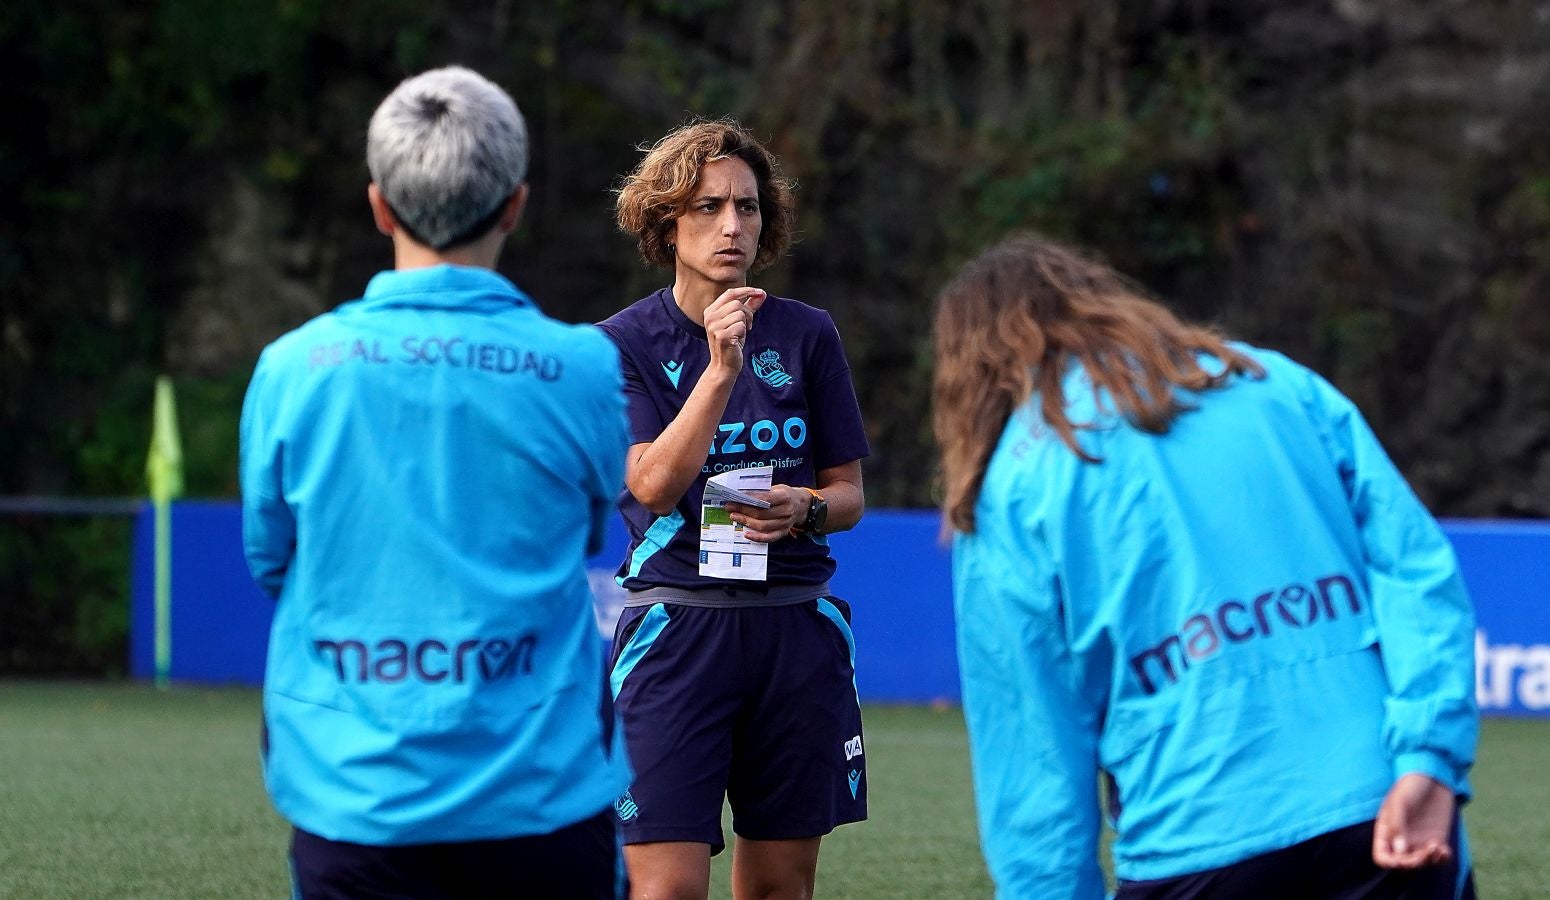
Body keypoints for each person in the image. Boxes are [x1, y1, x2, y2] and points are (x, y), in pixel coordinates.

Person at [931, 233, 1479, 900]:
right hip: (1386, 811)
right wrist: (1429, 757)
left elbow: (1033, 751)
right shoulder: (1271, 378)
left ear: (972, 364)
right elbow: (1417, 573)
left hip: (1195, 847)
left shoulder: (1009, 490)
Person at [239, 66, 631, 899]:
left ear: (379, 205)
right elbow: (592, 526)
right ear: (516, 204)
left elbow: (271, 559)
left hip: (356, 789)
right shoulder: (582, 367)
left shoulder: (293, 369)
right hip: (542, 791)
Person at [597, 120, 870, 900]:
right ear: (665, 221)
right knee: (667, 889)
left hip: (795, 630)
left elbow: (848, 493)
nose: (731, 226)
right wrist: (719, 372)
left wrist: (806, 508)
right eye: (710, 206)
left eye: (747, 208)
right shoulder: (622, 345)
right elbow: (648, 484)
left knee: (781, 886)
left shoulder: (808, 334)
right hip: (678, 632)